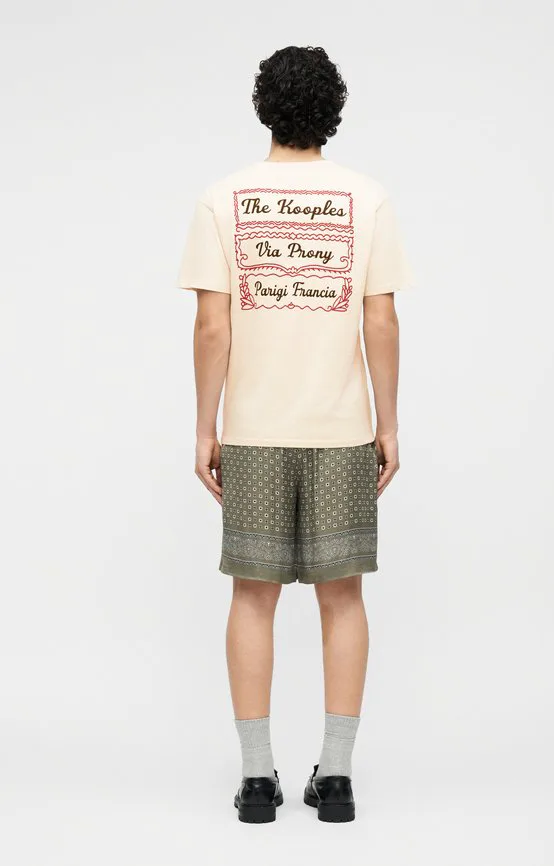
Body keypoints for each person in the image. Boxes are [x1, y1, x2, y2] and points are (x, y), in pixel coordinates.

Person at [176, 45, 412, 823]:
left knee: (253, 597)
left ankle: (256, 781)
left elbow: (213, 327)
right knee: (343, 600)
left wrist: (206, 426)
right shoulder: (367, 198)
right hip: (342, 431)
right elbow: (381, 320)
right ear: (332, 111)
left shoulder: (223, 198)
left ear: (264, 108)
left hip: (253, 431)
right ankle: (336, 778)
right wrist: (388, 423)